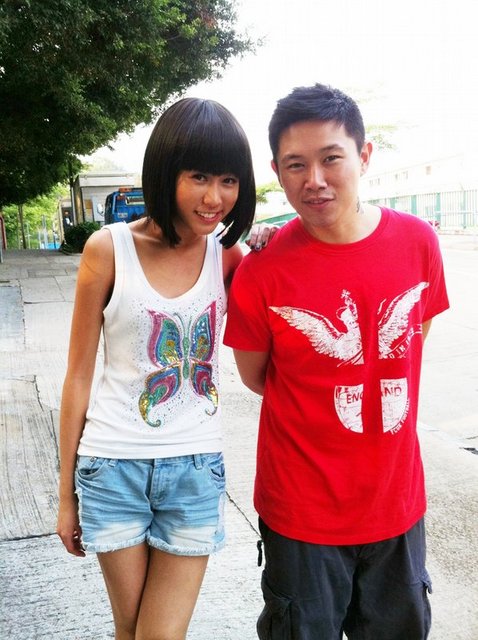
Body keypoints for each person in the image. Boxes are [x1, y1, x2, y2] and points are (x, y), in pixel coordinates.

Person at [223, 83, 450, 639]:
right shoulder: (262, 269)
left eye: (331, 158)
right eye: (296, 165)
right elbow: (257, 377)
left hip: (396, 505)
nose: (315, 180)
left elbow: (412, 344)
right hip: (301, 514)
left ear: (364, 156)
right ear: (277, 172)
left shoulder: (418, 243)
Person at [56, 97, 272, 640]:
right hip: (112, 467)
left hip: (195, 469)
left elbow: (279, 305)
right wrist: (65, 497)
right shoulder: (108, 249)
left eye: (228, 180)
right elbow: (78, 376)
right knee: (130, 631)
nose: (214, 197)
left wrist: (274, 241)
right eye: (199, 176)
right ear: (165, 171)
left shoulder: (228, 256)